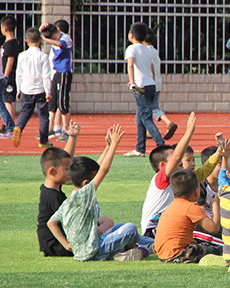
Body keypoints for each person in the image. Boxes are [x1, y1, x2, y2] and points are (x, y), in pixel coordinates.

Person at [47, 124, 147, 261]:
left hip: (86, 249)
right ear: (86, 183)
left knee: (119, 226)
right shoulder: (84, 194)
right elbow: (103, 170)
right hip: (93, 251)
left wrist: (68, 246)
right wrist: (114, 146)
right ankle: (129, 250)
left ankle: (130, 252)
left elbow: (51, 222)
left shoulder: (72, 197)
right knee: (130, 228)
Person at [140, 113, 198, 237]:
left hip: (165, 226)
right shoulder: (161, 179)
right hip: (152, 230)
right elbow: (177, 156)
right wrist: (188, 132)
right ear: (163, 165)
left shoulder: (178, 180)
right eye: (175, 159)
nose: (180, 160)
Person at [154, 169, 221, 262]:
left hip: (162, 255)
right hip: (180, 254)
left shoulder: (172, 205)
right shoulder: (191, 207)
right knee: (219, 250)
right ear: (197, 191)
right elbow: (214, 228)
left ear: (173, 193)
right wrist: (215, 204)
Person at [36, 121, 81, 257]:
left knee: (104, 222)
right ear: (52, 172)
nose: (70, 172)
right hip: (57, 246)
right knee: (102, 228)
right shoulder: (53, 197)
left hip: (55, 244)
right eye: (67, 170)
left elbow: (64, 159)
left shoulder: (50, 187)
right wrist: (68, 245)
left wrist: (72, 138)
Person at [123, 21, 164, 157]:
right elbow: (152, 68)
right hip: (151, 84)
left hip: (141, 87)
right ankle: (140, 148)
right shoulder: (147, 49)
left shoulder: (131, 48)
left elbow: (130, 65)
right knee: (139, 118)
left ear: (131, 35)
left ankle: (161, 145)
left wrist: (132, 82)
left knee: (146, 118)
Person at [11, 28, 51, 148]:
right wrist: (48, 91)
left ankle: (18, 127)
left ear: (26, 41)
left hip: (26, 89)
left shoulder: (22, 56)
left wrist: (18, 90)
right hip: (40, 90)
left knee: (25, 112)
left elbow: (19, 74)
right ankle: (43, 141)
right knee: (43, 116)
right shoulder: (43, 56)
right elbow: (46, 76)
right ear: (40, 40)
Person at [39, 21, 72, 142]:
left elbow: (59, 44)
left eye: (53, 37)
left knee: (63, 102)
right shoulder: (54, 35)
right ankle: (50, 130)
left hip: (64, 72)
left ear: (58, 31)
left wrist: (46, 39)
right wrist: (41, 30)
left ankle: (66, 130)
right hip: (56, 72)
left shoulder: (65, 38)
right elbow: (39, 36)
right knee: (53, 101)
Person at [144, 27, 178, 140]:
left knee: (151, 108)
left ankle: (168, 122)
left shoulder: (145, 52)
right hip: (157, 84)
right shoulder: (154, 51)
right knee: (150, 107)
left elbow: (150, 68)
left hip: (150, 84)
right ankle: (149, 130)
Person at [1, 15, 21, 132]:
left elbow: (10, 60)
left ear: (5, 28)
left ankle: (10, 125)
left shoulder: (10, 43)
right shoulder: (11, 42)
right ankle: (8, 123)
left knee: (7, 100)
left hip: (10, 76)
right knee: (5, 100)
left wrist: (6, 76)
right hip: (9, 76)